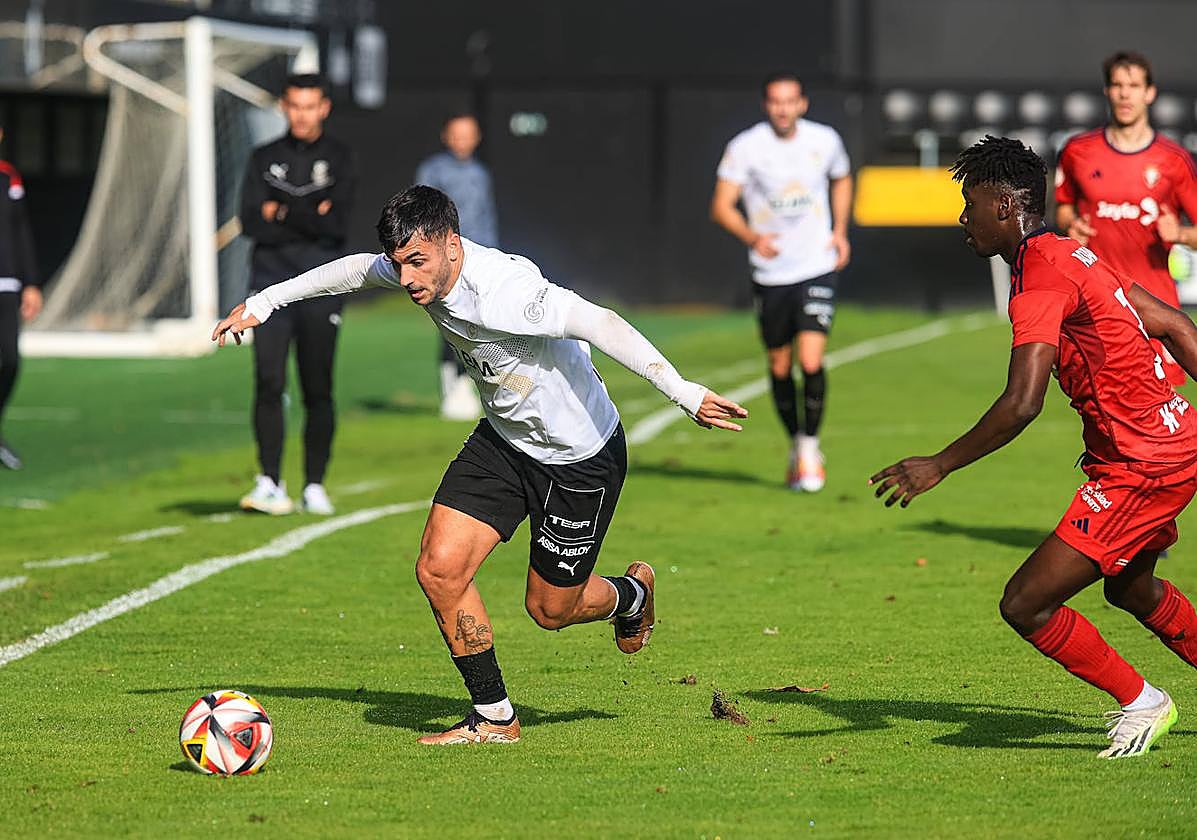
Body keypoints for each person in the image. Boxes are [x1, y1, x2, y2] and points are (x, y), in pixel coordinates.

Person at [213, 186, 748, 744]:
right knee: (439, 568)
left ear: (451, 242)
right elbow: (350, 271)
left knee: (550, 610)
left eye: (418, 262)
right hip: (504, 442)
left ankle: (630, 598)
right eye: (400, 265)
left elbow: (602, 323)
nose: (408, 278)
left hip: (578, 457)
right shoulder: (409, 263)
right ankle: (494, 717)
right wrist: (264, 302)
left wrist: (684, 392)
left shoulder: (509, 292)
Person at [872, 136, 1197, 759]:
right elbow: (1176, 324)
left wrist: (938, 464)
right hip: (1160, 447)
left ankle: (1144, 702)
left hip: (1143, 465)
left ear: (1003, 205)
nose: (962, 218)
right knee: (1131, 589)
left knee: (1026, 603)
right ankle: (1146, 698)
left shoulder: (1042, 275)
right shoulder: (1071, 254)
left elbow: (1023, 403)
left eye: (970, 204)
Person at [710, 71, 853, 492]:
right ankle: (795, 442)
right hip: (771, 273)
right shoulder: (746, 147)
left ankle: (810, 447)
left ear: (802, 104)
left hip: (816, 264)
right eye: (776, 101)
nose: (783, 109)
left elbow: (842, 178)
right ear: (766, 105)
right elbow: (722, 207)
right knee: (779, 364)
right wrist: (754, 237)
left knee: (810, 361)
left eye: (790, 101)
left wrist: (840, 230)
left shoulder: (824, 140)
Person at [237, 74, 355, 515]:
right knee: (268, 381)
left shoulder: (340, 158)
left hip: (322, 287)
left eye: (311, 106)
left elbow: (336, 224)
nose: (302, 114)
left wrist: (281, 209)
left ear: (324, 107)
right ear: (283, 108)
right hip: (269, 284)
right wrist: (310, 210)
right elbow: (251, 222)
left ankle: (315, 484)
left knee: (317, 387)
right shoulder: (262, 158)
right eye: (294, 106)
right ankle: (269, 480)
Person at [1055, 51, 1197, 386]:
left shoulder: (1173, 161)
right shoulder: (1077, 151)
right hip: (1096, 307)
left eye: (1133, 85)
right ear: (1107, 91)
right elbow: (1063, 207)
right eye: (1117, 85)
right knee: (1101, 418)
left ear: (1149, 93)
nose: (1124, 93)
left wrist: (1179, 233)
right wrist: (1070, 225)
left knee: (1159, 418)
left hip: (1155, 310)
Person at [415, 113, 498, 421]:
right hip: (445, 260)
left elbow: (487, 216)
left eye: (468, 135)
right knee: (449, 321)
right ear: (446, 136)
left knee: (479, 322)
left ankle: (474, 384)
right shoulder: (433, 170)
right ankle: (452, 388)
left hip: (476, 258)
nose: (462, 141)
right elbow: (420, 215)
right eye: (457, 134)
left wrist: (493, 254)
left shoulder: (480, 173)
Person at [0, 133, 40, 471]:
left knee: (10, 361)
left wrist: (30, 283)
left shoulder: (8, 176)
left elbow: (21, 231)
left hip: (6, 285)